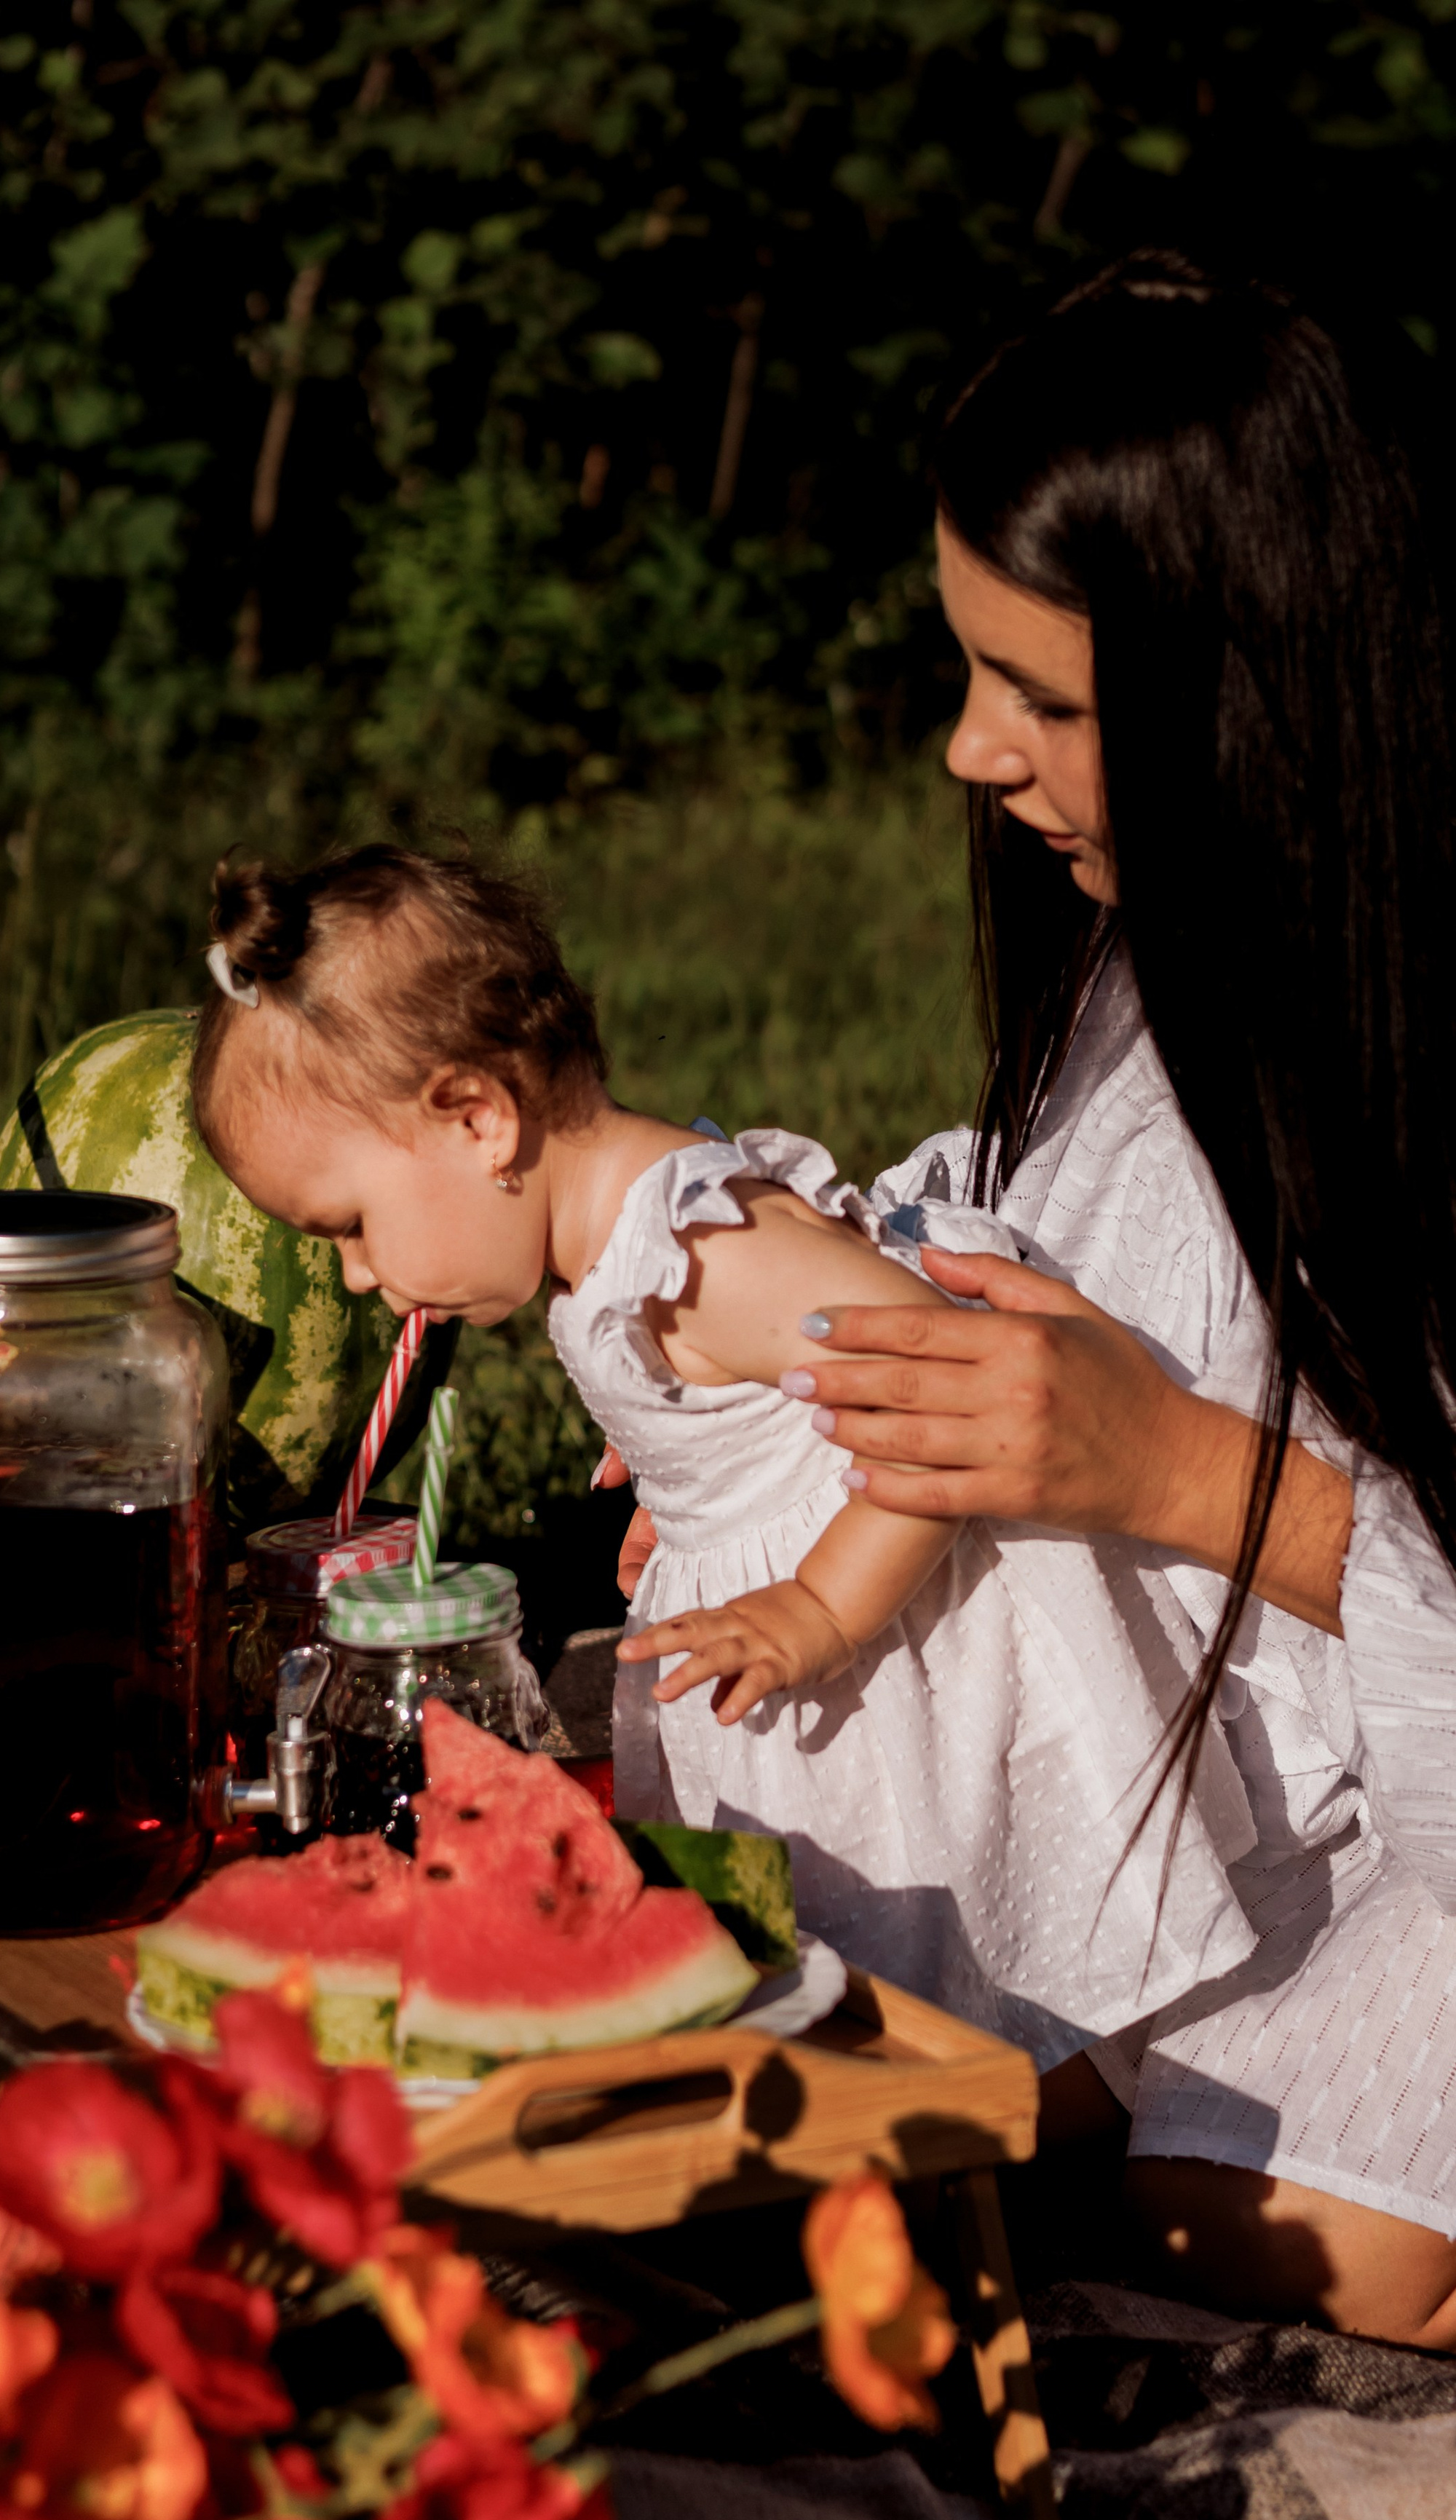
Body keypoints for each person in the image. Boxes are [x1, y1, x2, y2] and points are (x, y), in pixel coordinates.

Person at [767, 253, 1456, 2342]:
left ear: (1255, 679)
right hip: (1219, 1793)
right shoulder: (1152, 965)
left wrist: (1183, 1473)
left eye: (1047, 700)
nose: (973, 752)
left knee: (1259, 2232)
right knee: (963, 2109)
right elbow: (1022, 1244)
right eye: (969, 673)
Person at [191, 842, 1262, 2083]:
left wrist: (816, 1603)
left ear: (478, 1118)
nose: (360, 1278)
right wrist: (693, 1469)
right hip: (806, 1616)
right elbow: (770, 1397)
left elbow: (952, 1387)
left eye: (352, 1229)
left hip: (896, 1624)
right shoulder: (622, 1247)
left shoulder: (700, 1255)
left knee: (967, 1951)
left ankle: (1034, 2113)